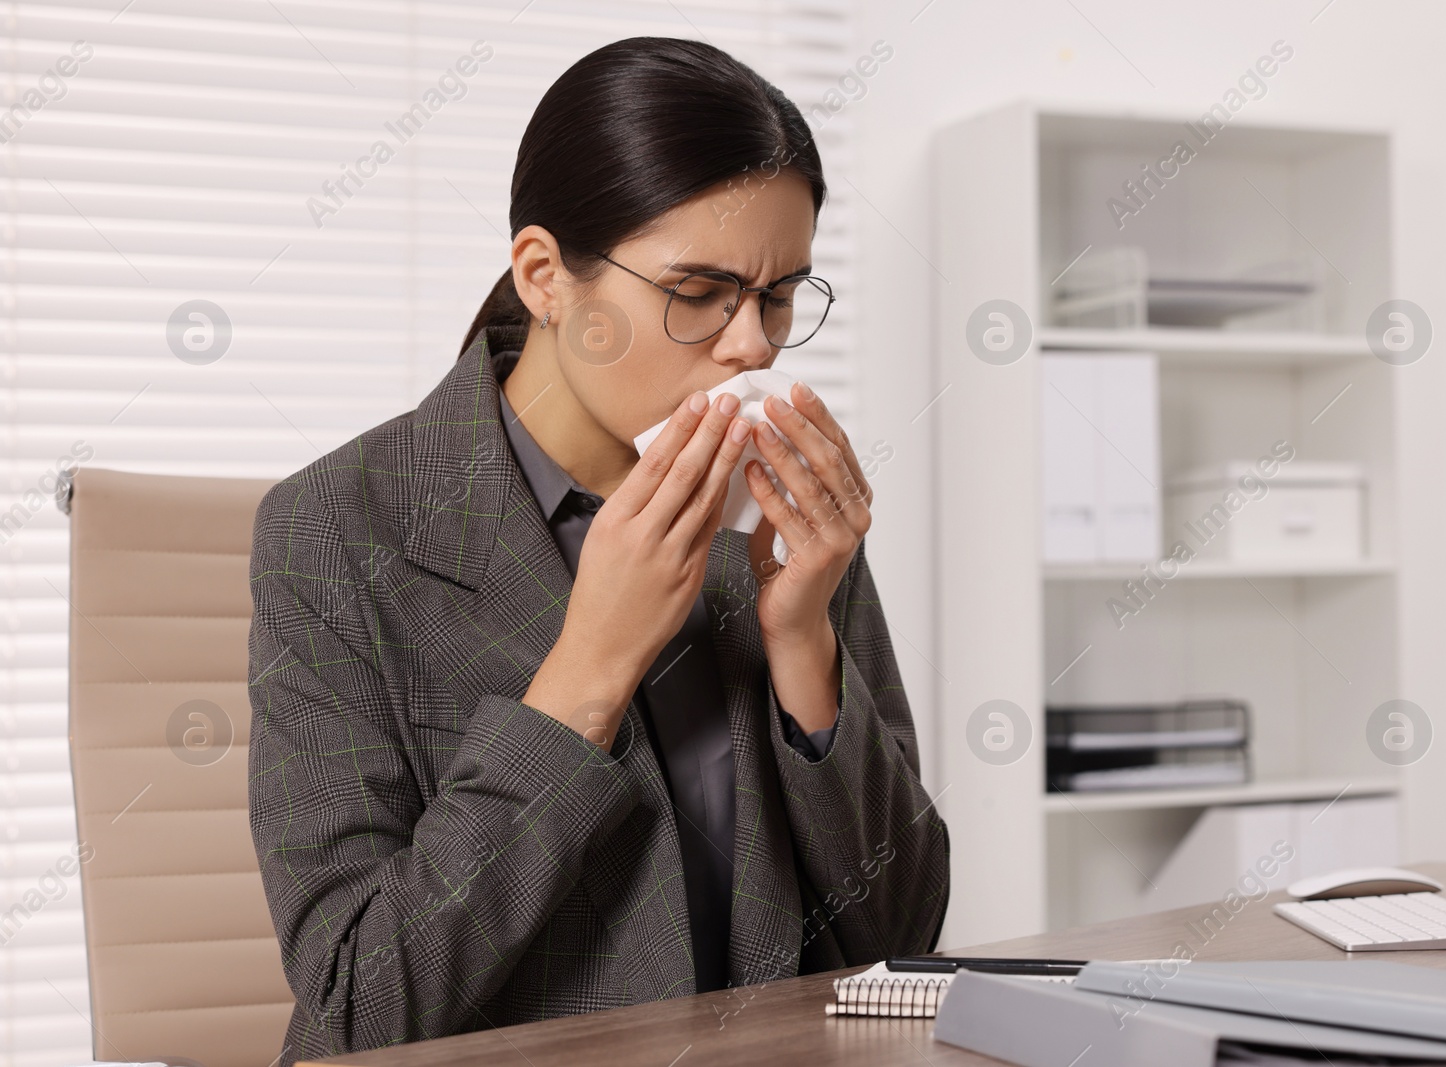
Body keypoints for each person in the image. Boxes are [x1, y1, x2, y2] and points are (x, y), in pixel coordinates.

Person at [246, 35, 950, 1059]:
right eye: (698, 289)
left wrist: (802, 642)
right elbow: (358, 1006)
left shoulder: (772, 508)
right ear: (544, 275)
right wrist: (587, 673)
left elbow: (901, 935)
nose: (751, 344)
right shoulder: (336, 531)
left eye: (780, 293)